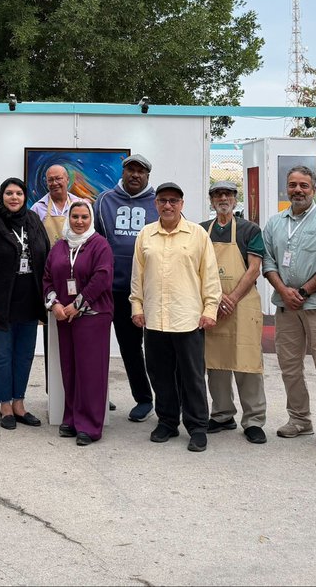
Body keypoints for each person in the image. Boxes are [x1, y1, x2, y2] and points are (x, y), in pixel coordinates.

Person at [130, 182, 220, 452]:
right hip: (155, 319)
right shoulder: (146, 235)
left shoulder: (197, 235)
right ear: (155, 204)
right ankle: (167, 422)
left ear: (182, 204)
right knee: (160, 375)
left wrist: (210, 309)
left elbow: (210, 275)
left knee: (192, 376)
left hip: (188, 318)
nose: (167, 205)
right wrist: (137, 308)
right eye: (162, 200)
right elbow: (138, 277)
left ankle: (197, 427)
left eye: (173, 200)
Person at [262, 165, 316, 449]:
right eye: (293, 185)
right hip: (286, 307)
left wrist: (302, 291)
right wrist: (284, 291)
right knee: (289, 365)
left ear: (313, 189)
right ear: (287, 188)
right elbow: (268, 261)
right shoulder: (274, 223)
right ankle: (299, 419)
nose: (298, 190)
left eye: (304, 185)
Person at [0, 177, 49, 429]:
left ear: (25, 197)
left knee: (24, 356)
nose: (14, 198)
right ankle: (5, 406)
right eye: (8, 193)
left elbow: (45, 254)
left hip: (28, 301)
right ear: (1, 196)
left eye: (18, 193)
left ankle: (19, 404)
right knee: (2, 356)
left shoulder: (33, 221)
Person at [200, 181, 268, 445]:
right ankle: (222, 414)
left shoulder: (250, 229)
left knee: (247, 361)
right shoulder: (202, 230)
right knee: (215, 362)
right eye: (217, 194)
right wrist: (215, 299)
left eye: (228, 194)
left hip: (242, 303)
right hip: (212, 304)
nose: (223, 198)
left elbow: (254, 269)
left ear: (235, 199)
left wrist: (232, 298)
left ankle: (253, 420)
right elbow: (199, 268)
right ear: (211, 199)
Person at [42, 199, 114, 445]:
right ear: (68, 219)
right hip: (65, 316)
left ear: (91, 219)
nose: (80, 222)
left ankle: (90, 425)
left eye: (84, 217)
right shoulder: (60, 247)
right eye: (75, 217)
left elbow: (101, 278)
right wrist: (56, 304)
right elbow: (48, 278)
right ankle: (71, 418)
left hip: (92, 317)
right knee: (70, 368)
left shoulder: (99, 245)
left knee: (90, 372)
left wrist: (77, 305)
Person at [93, 153, 158, 422]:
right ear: (123, 172)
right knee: (96, 346)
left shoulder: (158, 203)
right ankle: (95, 395)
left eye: (140, 171)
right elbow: (92, 241)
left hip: (142, 292)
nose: (134, 175)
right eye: (130, 169)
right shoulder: (103, 201)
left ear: (147, 176)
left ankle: (146, 399)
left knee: (137, 348)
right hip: (106, 288)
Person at [31, 164, 83, 245]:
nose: (54, 183)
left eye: (58, 178)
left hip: (76, 256)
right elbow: (32, 239)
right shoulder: (37, 208)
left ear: (68, 179)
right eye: (50, 180)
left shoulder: (80, 204)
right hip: (48, 257)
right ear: (46, 182)